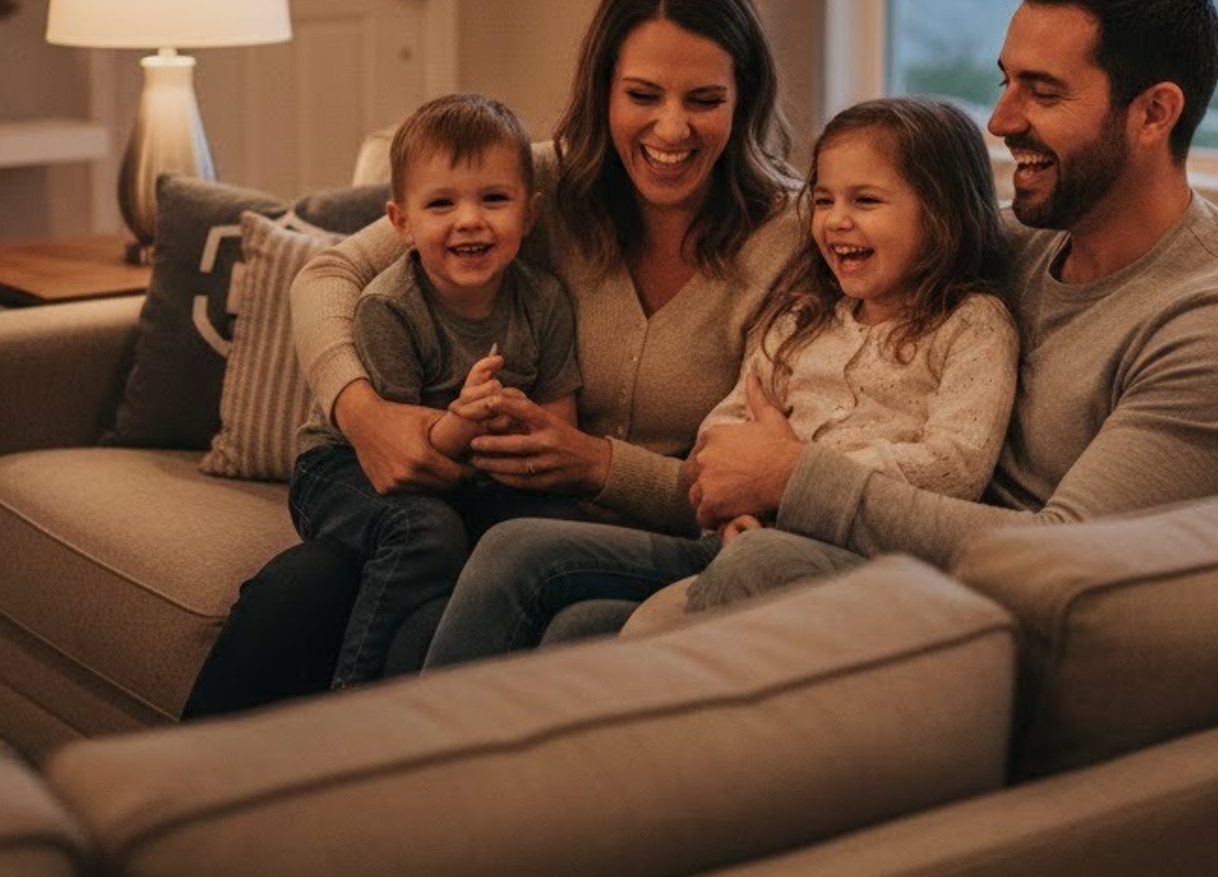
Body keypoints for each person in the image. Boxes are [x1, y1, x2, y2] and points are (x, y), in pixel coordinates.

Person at [181, 0, 802, 715]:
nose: (671, 128)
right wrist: (364, 415)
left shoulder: (791, 238)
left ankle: (365, 764)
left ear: (744, 99)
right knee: (296, 590)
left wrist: (598, 464)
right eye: (642, 95)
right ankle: (173, 786)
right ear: (603, 90)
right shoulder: (538, 185)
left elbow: (752, 482)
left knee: (420, 619)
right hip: (487, 497)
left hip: (599, 529)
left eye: (704, 99)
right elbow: (327, 275)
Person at [675, 0, 1218, 617]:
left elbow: (1069, 554)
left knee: (757, 571)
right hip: (864, 559)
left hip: (1002, 623)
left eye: (1043, 92)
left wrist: (792, 478)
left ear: (1154, 114)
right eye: (1006, 83)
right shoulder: (1014, 245)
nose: (1001, 121)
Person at [423, 96, 1021, 663]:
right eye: (823, 200)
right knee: (548, 588)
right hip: (732, 537)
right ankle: (433, 731)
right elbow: (724, 429)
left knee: (608, 594)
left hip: (848, 555)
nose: (836, 221)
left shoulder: (971, 325)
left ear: (942, 214)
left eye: (865, 201)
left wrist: (794, 476)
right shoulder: (801, 319)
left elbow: (955, 466)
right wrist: (733, 497)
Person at [289, 93, 581, 688]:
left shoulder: (545, 300)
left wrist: (527, 434)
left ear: (529, 215)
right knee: (426, 532)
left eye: (493, 199)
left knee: (551, 531)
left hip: (472, 470)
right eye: (442, 203)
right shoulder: (388, 308)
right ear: (401, 223)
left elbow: (560, 430)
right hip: (346, 466)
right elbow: (406, 455)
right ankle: (355, 702)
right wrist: (466, 420)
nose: (469, 220)